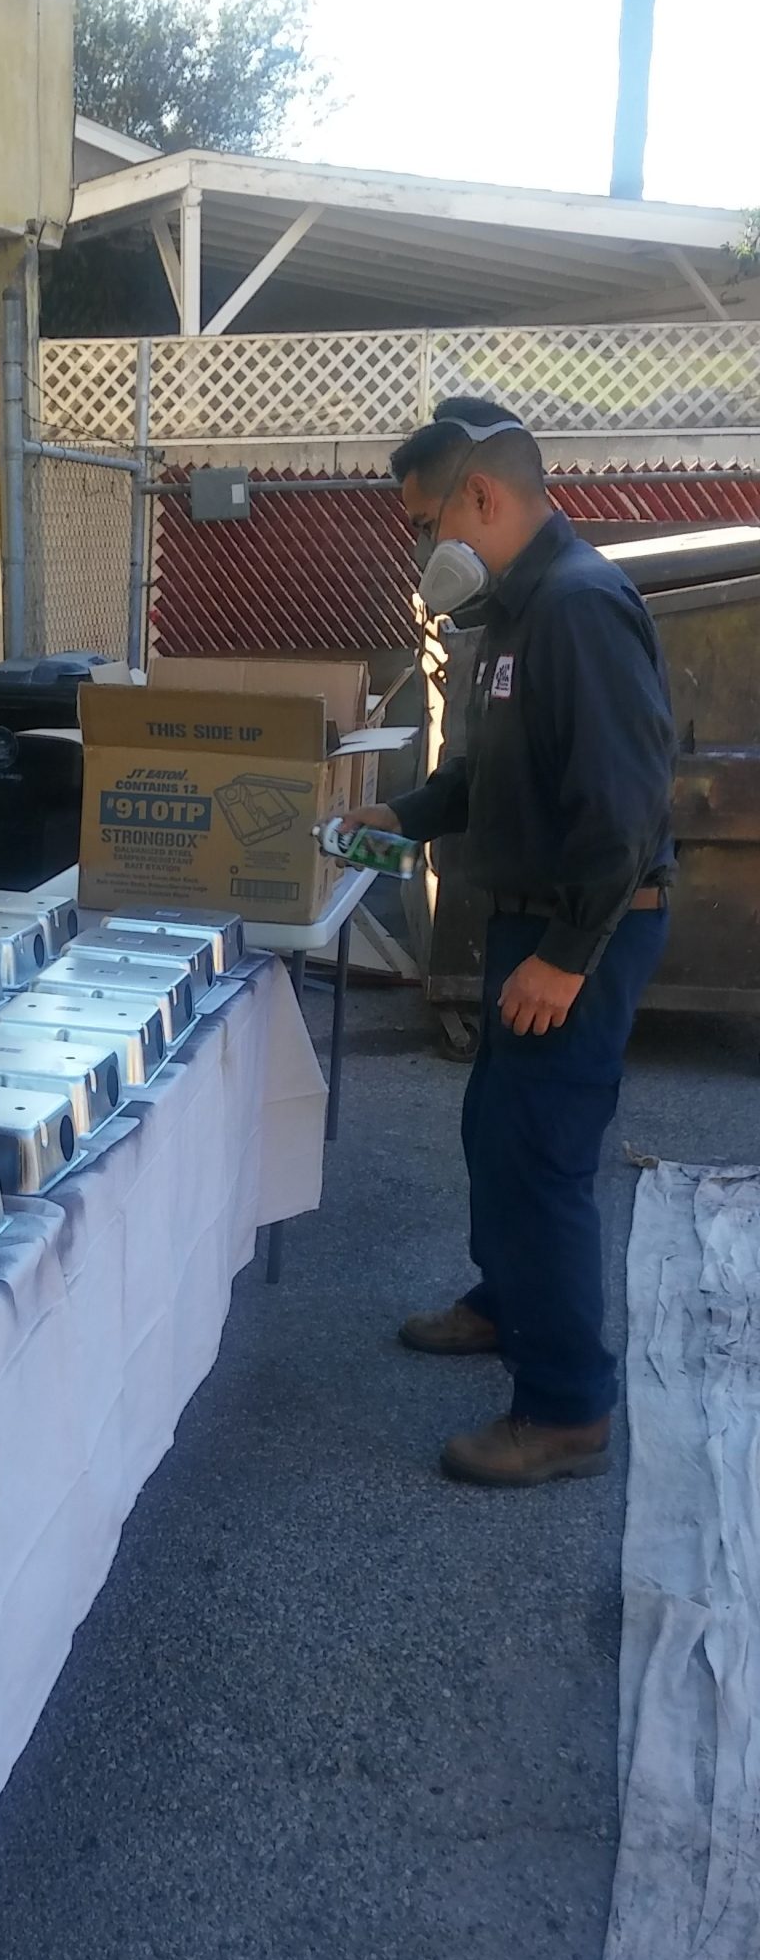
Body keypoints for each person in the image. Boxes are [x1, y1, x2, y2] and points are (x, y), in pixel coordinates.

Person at [350, 396, 675, 1488]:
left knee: (541, 1159)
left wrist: (568, 957)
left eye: (423, 523)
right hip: (529, 921)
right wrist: (400, 815)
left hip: (578, 929)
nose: (419, 548)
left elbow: (627, 812)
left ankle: (567, 1411)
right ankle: (508, 1301)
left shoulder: (579, 609)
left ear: (481, 496)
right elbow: (481, 773)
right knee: (498, 1130)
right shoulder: (516, 614)